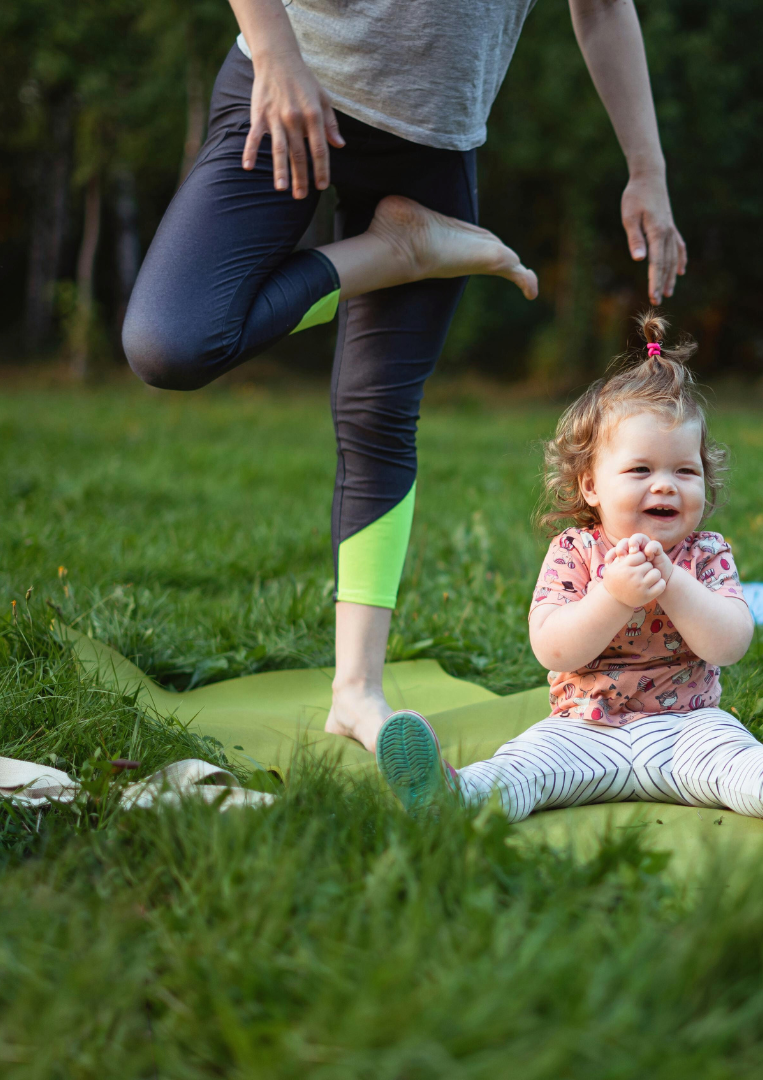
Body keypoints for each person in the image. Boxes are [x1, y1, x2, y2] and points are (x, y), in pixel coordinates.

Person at [122, 0, 688, 749]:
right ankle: (401, 252)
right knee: (173, 341)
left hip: (432, 147)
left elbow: (603, 8)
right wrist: (275, 52)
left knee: (377, 413)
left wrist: (646, 169)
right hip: (290, 86)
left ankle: (357, 691)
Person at [375, 313, 763, 833]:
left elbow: (729, 644)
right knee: (526, 767)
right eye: (641, 470)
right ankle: (455, 796)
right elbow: (553, 649)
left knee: (731, 761)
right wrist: (614, 597)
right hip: (581, 730)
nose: (665, 486)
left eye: (685, 471)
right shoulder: (574, 550)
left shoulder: (706, 553)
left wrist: (675, 584)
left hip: (686, 727)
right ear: (592, 486)